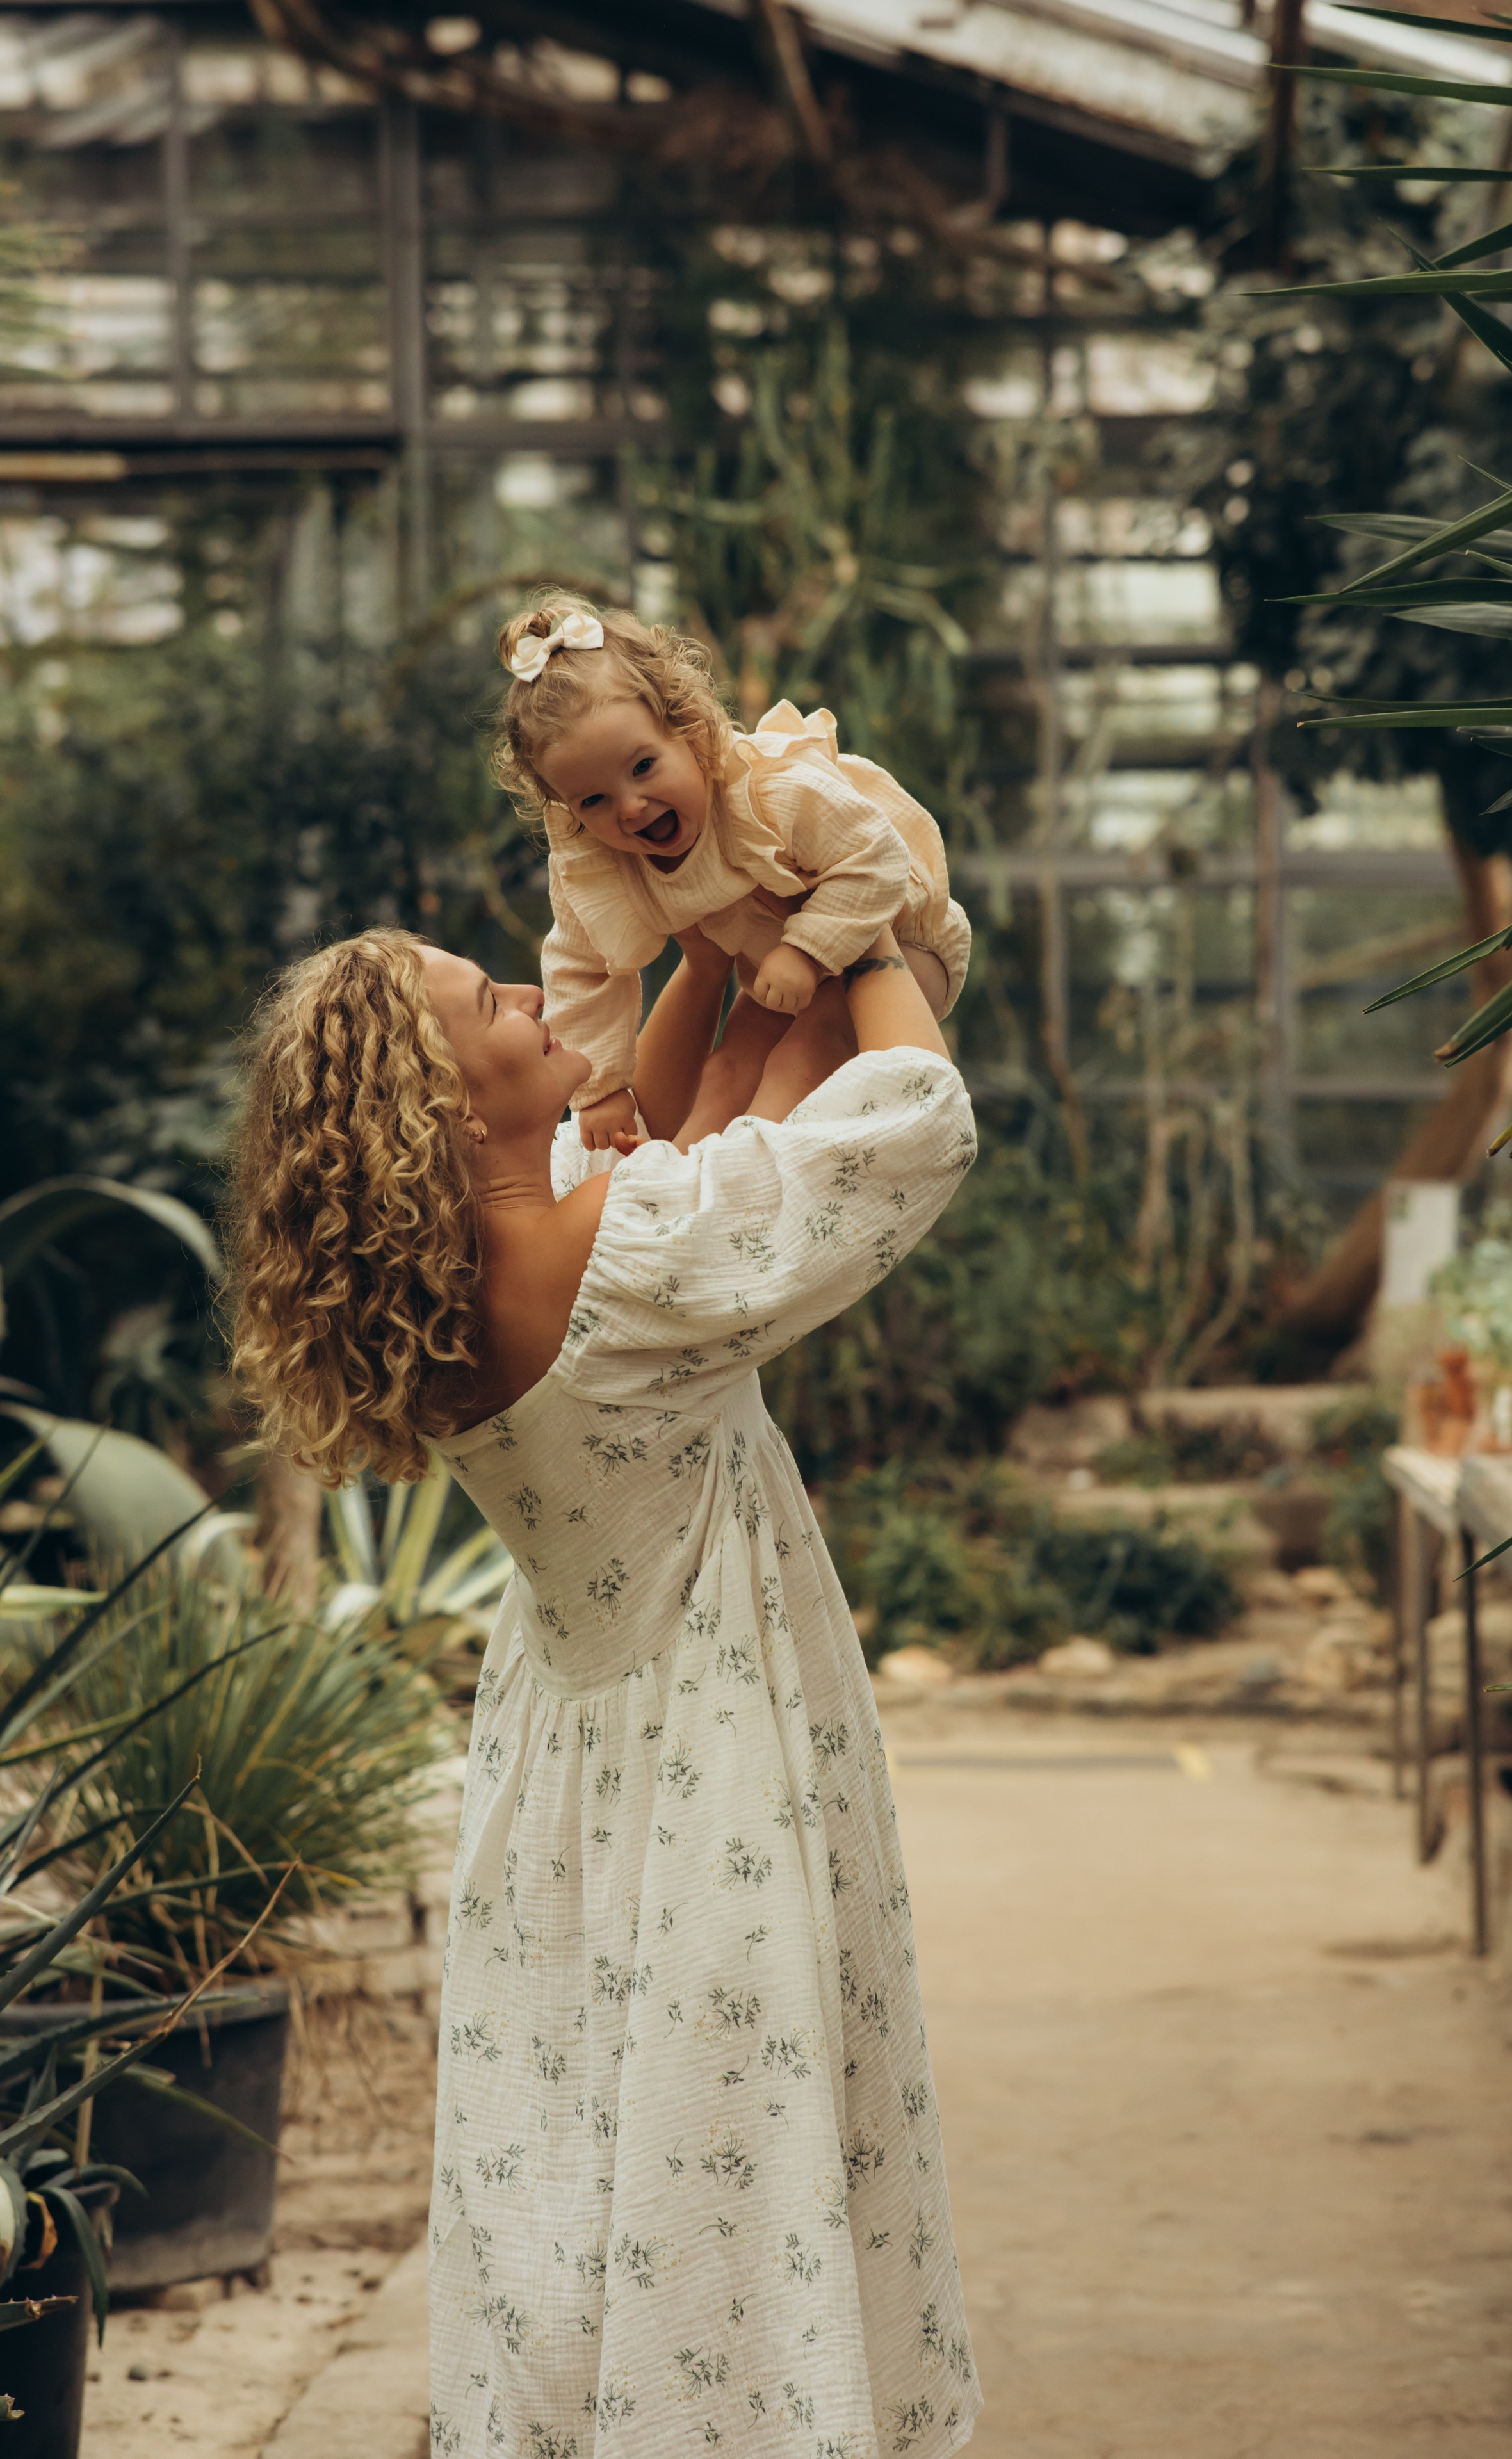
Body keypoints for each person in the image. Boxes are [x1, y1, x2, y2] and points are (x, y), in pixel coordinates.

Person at [229, 921, 982, 2459]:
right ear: (442, 1102)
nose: (528, 992)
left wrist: (713, 949)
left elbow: (725, 1127)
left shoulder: (480, 1276)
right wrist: (864, 920)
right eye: (491, 1001)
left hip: (569, 1751)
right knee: (727, 2157)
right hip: (708, 1745)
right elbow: (908, 1116)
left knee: (590, 2160)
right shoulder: (621, 1253)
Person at [494, 592, 972, 1149]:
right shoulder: (595, 862)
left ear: (692, 732)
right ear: (564, 809)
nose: (629, 806)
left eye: (643, 767)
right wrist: (601, 1088)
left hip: (901, 942)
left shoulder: (768, 791)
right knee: (726, 1071)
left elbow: (878, 856)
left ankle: (742, 1174)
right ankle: (674, 1183)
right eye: (593, 801)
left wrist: (808, 950)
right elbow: (579, 969)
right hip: (782, 971)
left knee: (801, 1055)